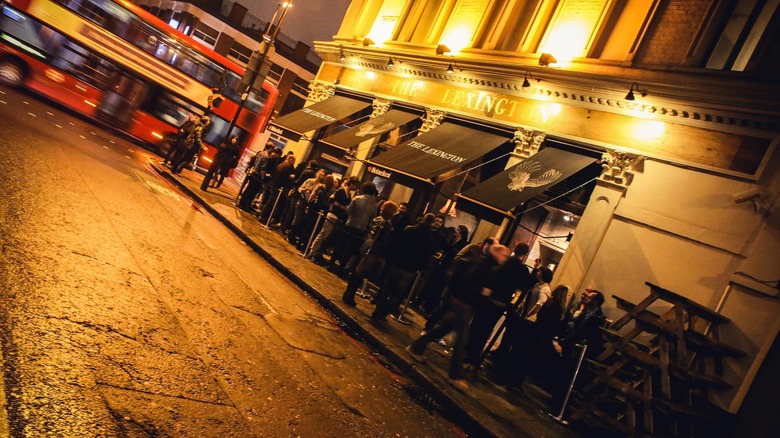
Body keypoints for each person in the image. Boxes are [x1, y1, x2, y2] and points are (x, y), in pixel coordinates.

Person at [406, 244, 510, 391]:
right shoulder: (482, 264)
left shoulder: (489, 266)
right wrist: (482, 290)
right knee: (461, 340)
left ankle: (416, 347)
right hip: (463, 305)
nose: (505, 259)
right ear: (496, 254)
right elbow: (467, 281)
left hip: (465, 304)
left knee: (442, 330)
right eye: (503, 255)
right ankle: (455, 375)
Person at [371, 213, 439, 321]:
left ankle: (379, 308)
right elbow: (426, 256)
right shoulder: (430, 238)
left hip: (398, 262)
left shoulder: (410, 229)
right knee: (397, 293)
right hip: (410, 269)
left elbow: (399, 244)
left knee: (387, 286)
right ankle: (384, 312)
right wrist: (420, 267)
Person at [341, 201, 398, 306]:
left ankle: (348, 293)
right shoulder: (386, 223)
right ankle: (350, 295)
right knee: (360, 274)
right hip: (373, 251)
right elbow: (384, 241)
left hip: (366, 246)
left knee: (357, 272)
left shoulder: (377, 219)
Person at [328, 182, 379, 276]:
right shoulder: (374, 205)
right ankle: (341, 268)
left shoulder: (357, 199)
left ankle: (331, 264)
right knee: (350, 251)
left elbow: (349, 210)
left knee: (341, 245)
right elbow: (372, 219)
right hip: (361, 230)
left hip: (350, 225)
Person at [308, 177, 359, 264]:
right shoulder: (341, 190)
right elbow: (331, 199)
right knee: (324, 233)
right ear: (352, 184)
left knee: (326, 235)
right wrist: (341, 206)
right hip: (333, 215)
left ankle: (317, 251)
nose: (356, 187)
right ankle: (313, 251)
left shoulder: (348, 194)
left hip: (338, 217)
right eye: (356, 185)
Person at [237, 143, 276, 212]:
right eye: (272, 149)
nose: (272, 150)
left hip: (254, 173)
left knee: (248, 189)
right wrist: (264, 176)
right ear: (269, 148)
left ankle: (242, 203)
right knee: (252, 191)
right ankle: (246, 205)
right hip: (258, 176)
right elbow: (262, 168)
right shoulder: (266, 157)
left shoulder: (260, 153)